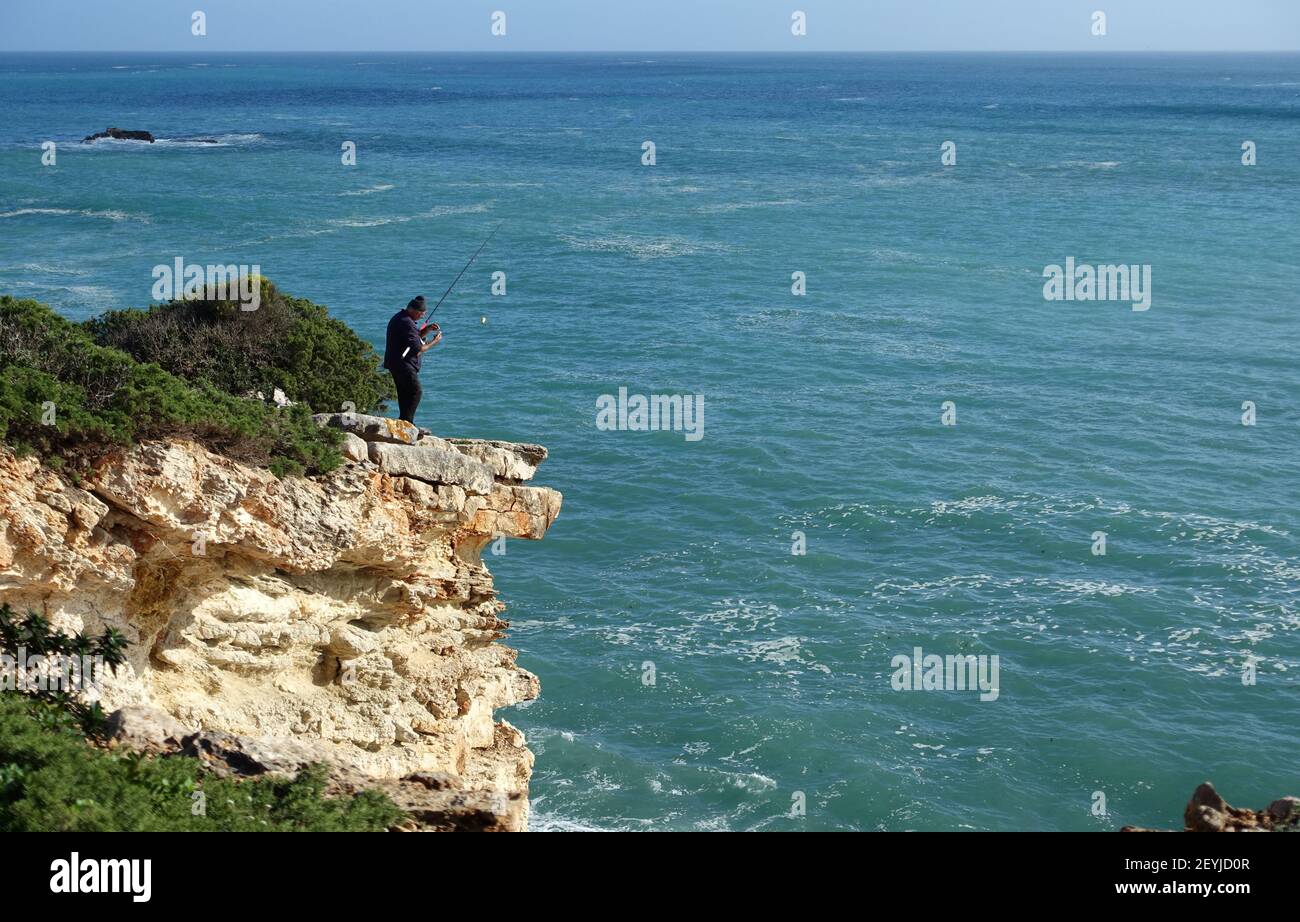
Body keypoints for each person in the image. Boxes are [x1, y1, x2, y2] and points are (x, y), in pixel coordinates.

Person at [383, 295, 442, 424]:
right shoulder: (407, 323)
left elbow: (413, 338)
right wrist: (434, 341)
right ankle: (408, 423)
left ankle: (404, 421)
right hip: (402, 364)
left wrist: (426, 330)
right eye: (422, 313)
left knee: (404, 393)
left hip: (395, 362)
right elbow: (418, 349)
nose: (423, 316)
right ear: (414, 311)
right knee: (415, 391)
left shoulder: (401, 318)